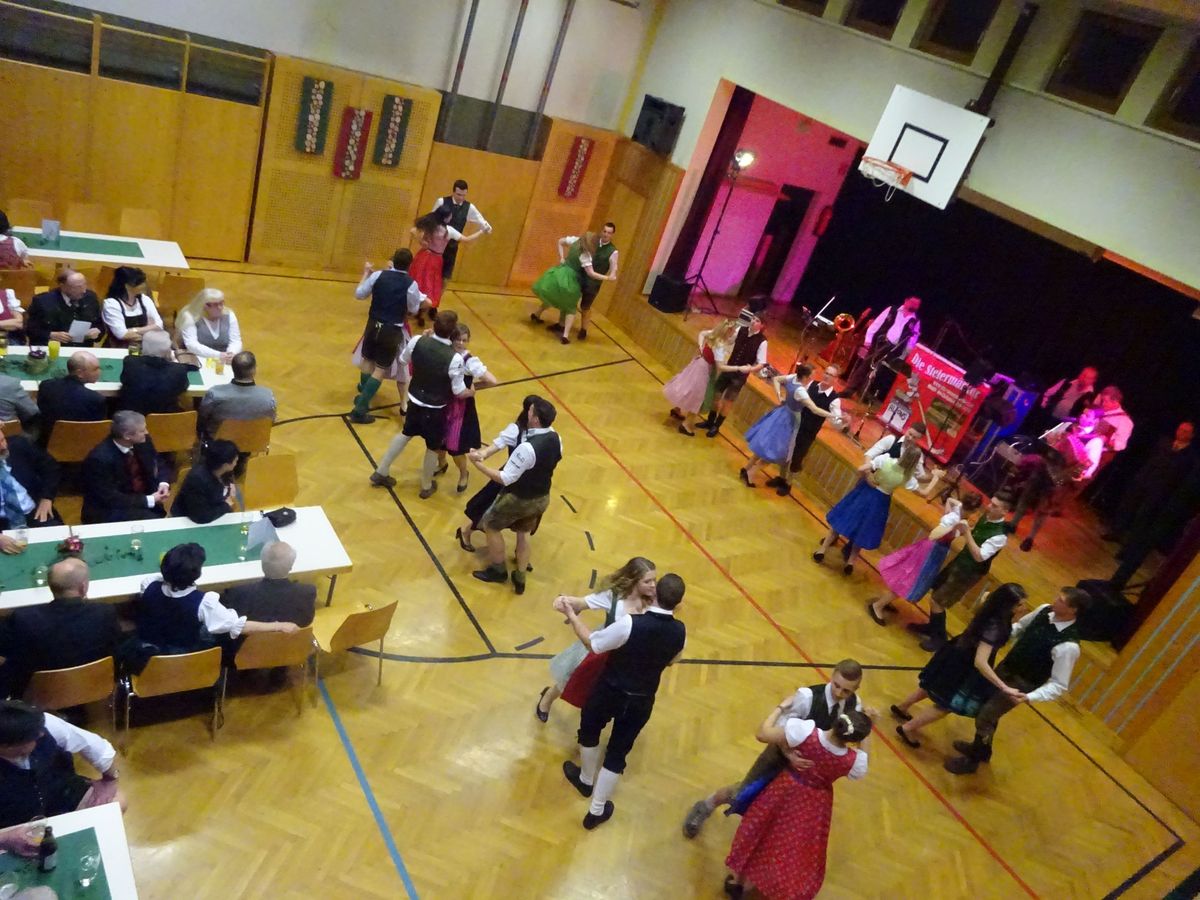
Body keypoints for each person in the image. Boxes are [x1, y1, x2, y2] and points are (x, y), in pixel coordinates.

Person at [682, 659, 865, 839]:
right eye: (836, 685)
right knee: (743, 791)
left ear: (856, 689)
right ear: (832, 675)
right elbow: (779, 728)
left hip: (805, 771)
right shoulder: (808, 697)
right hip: (779, 756)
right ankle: (705, 806)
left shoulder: (854, 705)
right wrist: (789, 754)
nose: (839, 693)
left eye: (846, 691)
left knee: (780, 808)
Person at [561, 573, 686, 830]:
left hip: (609, 689)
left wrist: (573, 616)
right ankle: (596, 810)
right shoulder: (680, 631)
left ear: (655, 594)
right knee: (618, 752)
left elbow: (594, 644)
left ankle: (585, 779)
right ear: (678, 602)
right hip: (642, 699)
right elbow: (673, 659)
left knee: (589, 731)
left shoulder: (630, 623)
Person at [723, 707, 872, 900]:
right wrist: (869, 731)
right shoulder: (852, 760)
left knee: (760, 831)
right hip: (814, 804)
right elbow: (863, 761)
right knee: (788, 845)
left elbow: (764, 734)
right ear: (853, 740)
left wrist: (779, 709)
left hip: (783, 790)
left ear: (838, 720)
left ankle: (739, 882)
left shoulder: (805, 731)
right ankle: (772, 887)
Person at [944, 587, 1090, 775]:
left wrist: (1029, 697)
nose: (1055, 600)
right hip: (1006, 668)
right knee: (986, 710)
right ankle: (983, 750)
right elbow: (1020, 628)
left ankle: (973, 760)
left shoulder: (1068, 646)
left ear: (1073, 610)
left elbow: (1059, 684)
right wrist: (992, 640)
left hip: (1022, 683)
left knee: (986, 715)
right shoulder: (1044, 610)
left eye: (1061, 600)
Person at [892, 583, 1028, 748]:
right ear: (1007, 605)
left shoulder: (988, 607)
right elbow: (980, 662)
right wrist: (1004, 687)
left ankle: (902, 707)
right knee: (946, 704)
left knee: (933, 685)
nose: (1024, 608)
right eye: (1020, 605)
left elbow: (985, 599)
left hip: (956, 650)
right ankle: (907, 728)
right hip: (965, 665)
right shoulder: (995, 628)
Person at [536, 557, 658, 722]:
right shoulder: (613, 597)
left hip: (629, 656)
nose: (653, 585)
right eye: (647, 581)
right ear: (634, 581)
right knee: (572, 677)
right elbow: (582, 603)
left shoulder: (655, 599)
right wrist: (563, 601)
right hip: (603, 649)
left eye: (654, 580)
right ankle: (548, 698)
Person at [132, 543, 299, 659]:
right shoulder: (204, 603)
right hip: (183, 655)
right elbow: (239, 626)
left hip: (147, 649)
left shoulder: (149, 584)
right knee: (218, 635)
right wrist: (279, 626)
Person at [369, 310, 471, 498]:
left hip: (414, 399)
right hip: (436, 408)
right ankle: (426, 485)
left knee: (405, 433)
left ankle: (381, 471)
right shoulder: (455, 358)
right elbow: (458, 391)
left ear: (434, 326)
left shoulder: (417, 340)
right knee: (432, 446)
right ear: (452, 333)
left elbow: (403, 360)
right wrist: (471, 391)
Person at [469, 396, 562, 595]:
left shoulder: (527, 448)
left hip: (519, 498)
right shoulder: (556, 438)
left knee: (491, 525)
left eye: (531, 410)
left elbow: (505, 478)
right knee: (524, 532)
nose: (527, 411)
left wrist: (479, 466)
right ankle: (520, 577)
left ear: (535, 419)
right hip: (542, 497)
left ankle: (498, 570)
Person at [0, 559, 121, 698]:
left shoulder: (23, 618)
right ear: (83, 587)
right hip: (93, 691)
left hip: (37, 697)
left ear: (50, 586)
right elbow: (115, 649)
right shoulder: (105, 613)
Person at [908, 494, 1012, 651]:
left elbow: (979, 556)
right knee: (937, 591)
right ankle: (932, 626)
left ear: (1005, 511)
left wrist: (967, 532)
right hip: (960, 562)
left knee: (938, 600)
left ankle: (939, 638)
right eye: (991, 503)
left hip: (970, 571)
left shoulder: (1000, 536)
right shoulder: (986, 517)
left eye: (995, 506)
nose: (989, 507)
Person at [0, 700, 123, 828]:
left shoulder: (44, 723)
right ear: (8, 746)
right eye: (35, 736)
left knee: (114, 804)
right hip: (13, 818)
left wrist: (110, 780)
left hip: (59, 791)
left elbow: (94, 746)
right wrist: (9, 836)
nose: (42, 734)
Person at [866, 493, 981, 626]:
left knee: (908, 579)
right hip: (931, 550)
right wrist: (953, 526)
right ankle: (878, 605)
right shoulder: (954, 518)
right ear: (974, 510)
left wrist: (949, 515)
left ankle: (884, 601)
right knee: (909, 580)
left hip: (937, 550)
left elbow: (950, 500)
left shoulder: (959, 510)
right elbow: (934, 535)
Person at [813, 441, 923, 576]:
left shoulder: (886, 460)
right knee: (863, 530)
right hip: (882, 501)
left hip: (866, 492)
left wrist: (867, 477)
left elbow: (861, 468)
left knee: (843, 519)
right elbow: (924, 493)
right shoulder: (907, 477)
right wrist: (936, 477)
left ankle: (822, 550)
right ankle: (850, 562)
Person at [349, 248, 428, 425]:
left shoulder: (378, 275)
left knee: (367, 361)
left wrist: (365, 274)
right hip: (391, 329)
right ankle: (359, 410)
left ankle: (363, 398)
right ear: (409, 265)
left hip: (372, 324)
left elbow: (359, 294)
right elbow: (414, 308)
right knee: (380, 369)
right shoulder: (411, 284)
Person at [453, 395, 536, 553]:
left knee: (524, 520)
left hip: (529, 482)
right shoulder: (516, 430)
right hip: (509, 475)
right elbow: (495, 447)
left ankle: (521, 553)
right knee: (487, 507)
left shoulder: (545, 434)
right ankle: (465, 531)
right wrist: (480, 455)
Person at [740, 364, 839, 489]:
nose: (813, 378)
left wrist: (779, 396)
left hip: (781, 415)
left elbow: (776, 379)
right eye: (811, 375)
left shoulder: (793, 378)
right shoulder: (801, 391)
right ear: (805, 376)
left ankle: (747, 468)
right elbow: (815, 409)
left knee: (768, 445)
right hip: (788, 422)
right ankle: (750, 473)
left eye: (830, 375)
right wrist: (836, 416)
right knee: (773, 451)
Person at [1105, 420, 1196, 543]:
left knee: (1143, 515)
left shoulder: (1189, 455)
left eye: (1185, 431)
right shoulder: (1165, 442)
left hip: (1160, 488)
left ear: (1191, 435)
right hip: (1144, 479)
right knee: (1128, 506)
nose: (1181, 433)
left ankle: (1131, 541)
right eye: (1180, 429)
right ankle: (1116, 531)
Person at [438, 323, 498, 494]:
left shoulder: (469, 361)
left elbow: (492, 381)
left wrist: (472, 389)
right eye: (458, 339)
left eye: (464, 340)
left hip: (460, 409)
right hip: (441, 402)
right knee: (437, 440)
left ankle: (464, 474)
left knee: (455, 447)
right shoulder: (445, 352)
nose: (461, 343)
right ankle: (441, 464)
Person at [767, 364, 845, 496]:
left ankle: (788, 484)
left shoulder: (834, 399)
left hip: (808, 432)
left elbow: (836, 422)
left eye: (831, 375)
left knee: (796, 458)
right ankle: (781, 478)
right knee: (785, 453)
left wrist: (843, 422)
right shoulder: (811, 384)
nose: (827, 376)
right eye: (826, 373)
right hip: (795, 423)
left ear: (835, 379)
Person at [80, 410, 169, 524]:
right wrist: (149, 500)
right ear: (127, 436)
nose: (146, 432)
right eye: (142, 430)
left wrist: (163, 483)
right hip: (111, 510)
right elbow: (110, 497)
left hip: (143, 501)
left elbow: (157, 462)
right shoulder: (99, 459)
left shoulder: (143, 441)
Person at [529, 232, 615, 344]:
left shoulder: (575, 241)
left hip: (560, 273)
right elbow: (591, 273)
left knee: (554, 296)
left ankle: (537, 314)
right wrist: (608, 277)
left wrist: (562, 257)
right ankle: (565, 335)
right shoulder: (585, 255)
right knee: (571, 308)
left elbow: (560, 241)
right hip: (570, 280)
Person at [664, 319, 739, 437]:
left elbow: (702, 333)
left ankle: (677, 409)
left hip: (699, 364)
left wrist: (700, 346)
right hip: (704, 370)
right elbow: (720, 366)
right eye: (733, 331)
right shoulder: (719, 345)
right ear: (728, 331)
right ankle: (686, 424)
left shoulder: (714, 336)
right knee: (699, 397)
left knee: (687, 387)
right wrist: (738, 368)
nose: (733, 333)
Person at [699, 313, 768, 438]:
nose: (753, 321)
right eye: (753, 318)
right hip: (728, 369)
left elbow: (761, 363)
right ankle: (710, 421)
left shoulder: (762, 341)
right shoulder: (741, 330)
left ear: (762, 325)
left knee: (728, 401)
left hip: (739, 377)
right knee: (716, 395)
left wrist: (750, 369)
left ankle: (716, 426)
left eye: (757, 320)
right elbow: (729, 340)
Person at [546, 223, 618, 340]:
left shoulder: (612, 251)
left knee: (585, 307)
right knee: (569, 301)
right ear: (601, 231)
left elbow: (614, 266)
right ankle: (561, 325)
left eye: (609, 233)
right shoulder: (593, 242)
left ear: (612, 234)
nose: (606, 234)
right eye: (604, 231)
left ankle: (584, 329)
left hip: (593, 283)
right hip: (579, 277)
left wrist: (612, 275)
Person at [221, 541, 317, 628]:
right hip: (290, 641)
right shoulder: (307, 593)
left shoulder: (238, 594)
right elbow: (306, 621)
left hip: (251, 641)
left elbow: (227, 622)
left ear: (262, 565)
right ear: (290, 567)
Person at [409, 209, 486, 316]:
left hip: (423, 255)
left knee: (418, 281)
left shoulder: (431, 226)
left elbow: (413, 230)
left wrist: (422, 242)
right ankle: (423, 308)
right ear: (445, 218)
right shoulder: (449, 230)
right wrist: (481, 231)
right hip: (435, 259)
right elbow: (467, 239)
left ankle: (413, 306)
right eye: (450, 216)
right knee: (430, 284)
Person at [846, 296, 921, 401]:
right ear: (906, 301)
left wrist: (904, 354)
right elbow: (877, 323)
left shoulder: (915, 321)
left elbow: (912, 340)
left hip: (895, 349)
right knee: (867, 364)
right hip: (880, 343)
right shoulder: (892, 310)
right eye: (913, 302)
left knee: (879, 370)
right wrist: (868, 339)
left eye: (917, 304)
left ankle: (863, 393)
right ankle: (850, 389)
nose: (914, 305)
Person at [116, 329, 199, 415]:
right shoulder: (179, 370)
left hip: (131, 418)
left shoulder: (130, 362)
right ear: (168, 350)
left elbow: (123, 380)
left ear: (143, 347)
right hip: (166, 420)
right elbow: (183, 388)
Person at [198, 350, 276, 440]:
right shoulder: (268, 396)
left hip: (219, 442)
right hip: (252, 441)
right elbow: (270, 421)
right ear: (254, 370)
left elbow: (202, 419)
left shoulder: (215, 394)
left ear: (233, 369)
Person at [0, 428, 61, 531]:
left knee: (60, 535)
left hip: (34, 512)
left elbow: (51, 468)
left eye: (2, 440)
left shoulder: (18, 446)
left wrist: (47, 497)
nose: (4, 447)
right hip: (3, 524)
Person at [432, 179, 492, 279]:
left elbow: (480, 220)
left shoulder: (469, 207)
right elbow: (431, 220)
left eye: (464, 195)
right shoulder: (441, 201)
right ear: (453, 192)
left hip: (452, 247)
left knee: (446, 276)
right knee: (431, 274)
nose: (461, 198)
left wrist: (486, 227)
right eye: (458, 194)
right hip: (436, 245)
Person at [25, 269, 103, 347]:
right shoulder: (43, 302)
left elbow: (100, 325)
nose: (83, 291)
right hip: (54, 347)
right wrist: (50, 335)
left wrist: (97, 331)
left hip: (83, 347)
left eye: (84, 285)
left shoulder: (90, 298)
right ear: (63, 286)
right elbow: (30, 330)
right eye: (77, 287)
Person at [36, 351, 105, 438]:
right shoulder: (95, 399)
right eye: (95, 369)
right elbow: (96, 429)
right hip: (80, 441)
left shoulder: (46, 385)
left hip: (47, 439)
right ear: (80, 373)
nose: (99, 372)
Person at [170, 439, 238, 523]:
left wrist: (229, 492)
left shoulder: (224, 471)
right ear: (225, 465)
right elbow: (201, 517)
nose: (236, 463)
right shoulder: (197, 480)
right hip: (185, 520)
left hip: (212, 513)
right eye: (235, 461)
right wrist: (226, 505)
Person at [100, 265, 163, 348]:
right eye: (140, 283)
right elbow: (121, 334)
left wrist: (133, 330)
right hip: (117, 349)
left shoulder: (145, 299)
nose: (144, 285)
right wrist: (149, 331)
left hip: (141, 348)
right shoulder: (111, 304)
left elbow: (159, 325)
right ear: (127, 286)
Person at [177, 288, 242, 362]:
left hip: (225, 360)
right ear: (205, 306)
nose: (221, 307)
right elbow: (191, 344)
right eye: (216, 305)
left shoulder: (229, 314)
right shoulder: (190, 316)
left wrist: (231, 353)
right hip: (199, 359)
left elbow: (236, 340)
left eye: (222, 303)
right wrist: (218, 355)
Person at [1032, 365, 1099, 433]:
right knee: (1039, 433)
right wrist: (1044, 405)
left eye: (1088, 378)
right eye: (1083, 375)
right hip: (1049, 416)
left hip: (1065, 424)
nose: (1083, 379)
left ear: (1093, 380)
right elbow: (1048, 393)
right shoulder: (1067, 382)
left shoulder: (1091, 396)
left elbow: (1086, 414)